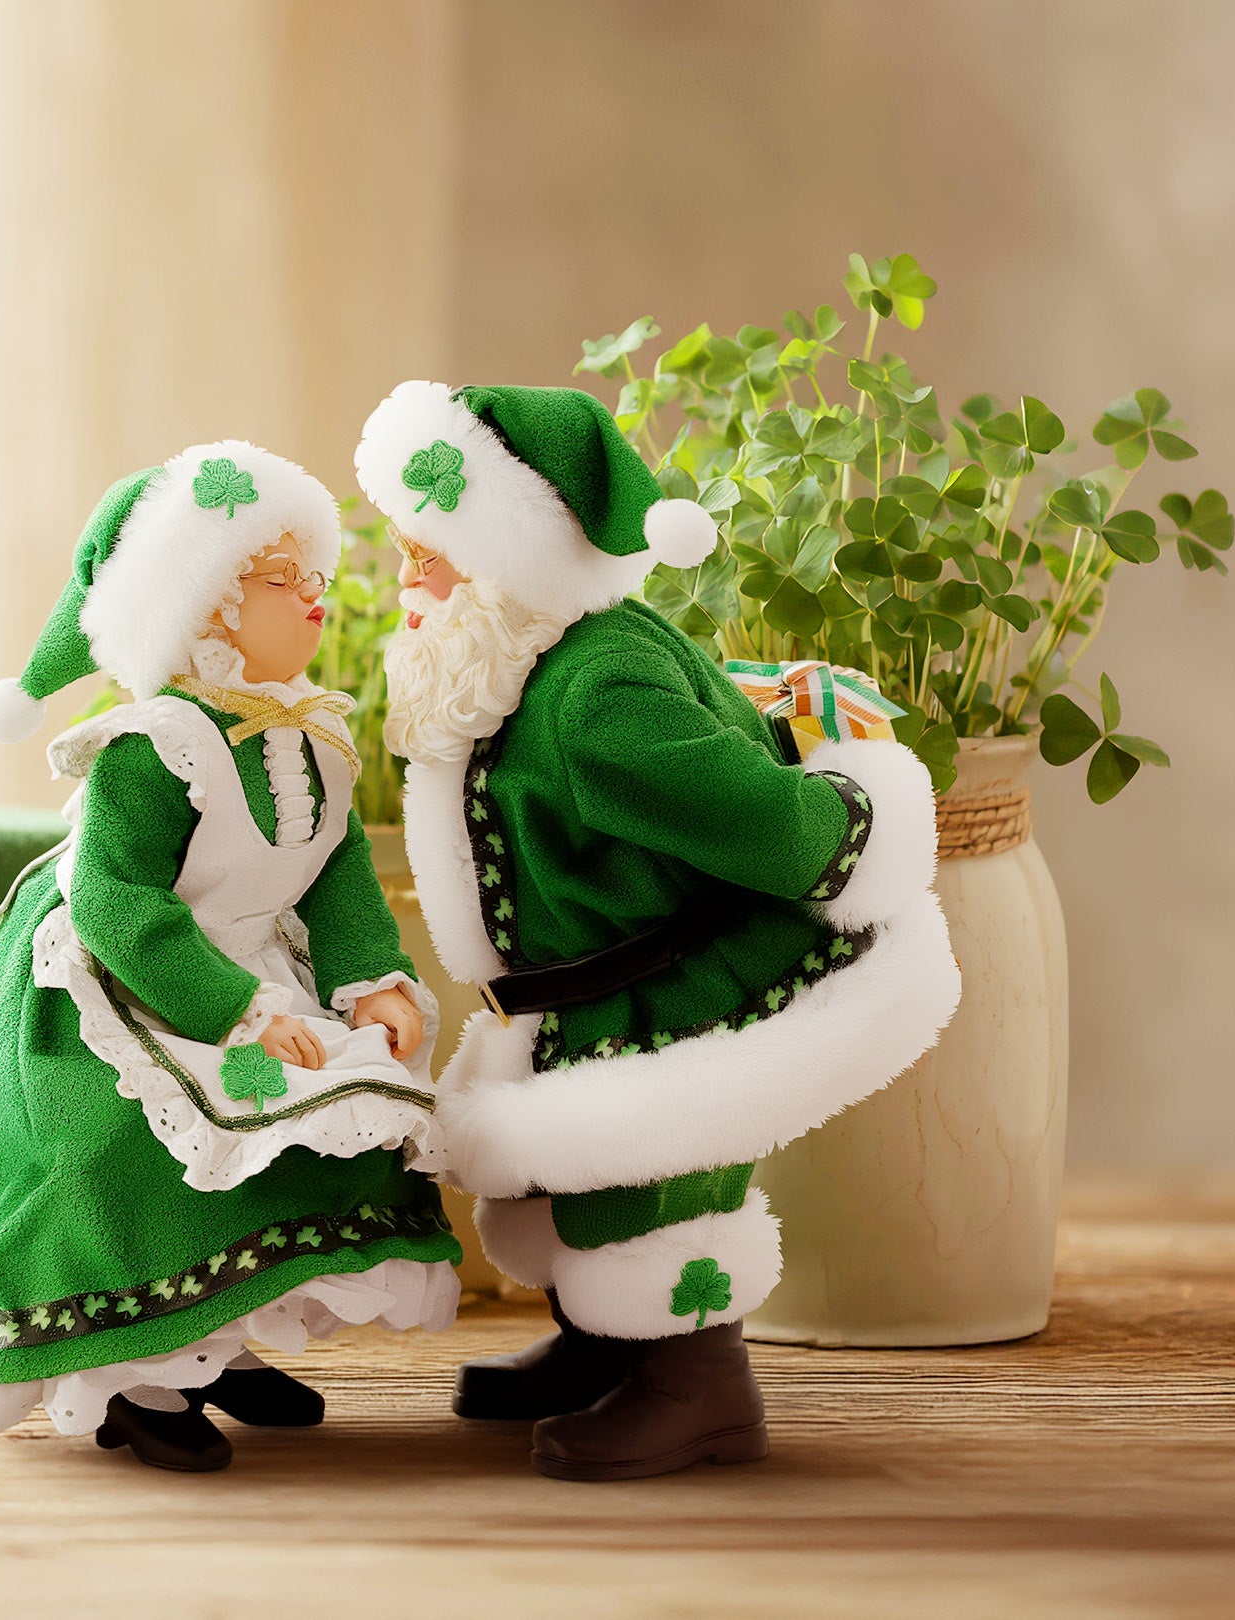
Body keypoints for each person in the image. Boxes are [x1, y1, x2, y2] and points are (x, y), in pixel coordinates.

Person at [357, 381, 960, 1481]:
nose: (408, 581)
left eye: (428, 554)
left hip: (672, 988)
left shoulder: (598, 697)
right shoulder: (528, 660)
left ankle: (697, 1385)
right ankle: (608, 1345)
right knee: (575, 1184)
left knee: (654, 1180)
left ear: (510, 552)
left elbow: (767, 829)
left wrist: (850, 812)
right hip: (586, 986)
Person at [0, 440, 462, 1473]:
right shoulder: (152, 747)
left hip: (251, 964)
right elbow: (118, 904)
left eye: (317, 577)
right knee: (131, 1158)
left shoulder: (312, 741)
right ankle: (140, 1366)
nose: (313, 600)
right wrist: (240, 1014)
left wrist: (369, 982)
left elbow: (337, 883)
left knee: (303, 1135)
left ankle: (224, 1332)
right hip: (135, 978)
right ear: (208, 603)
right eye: (281, 580)